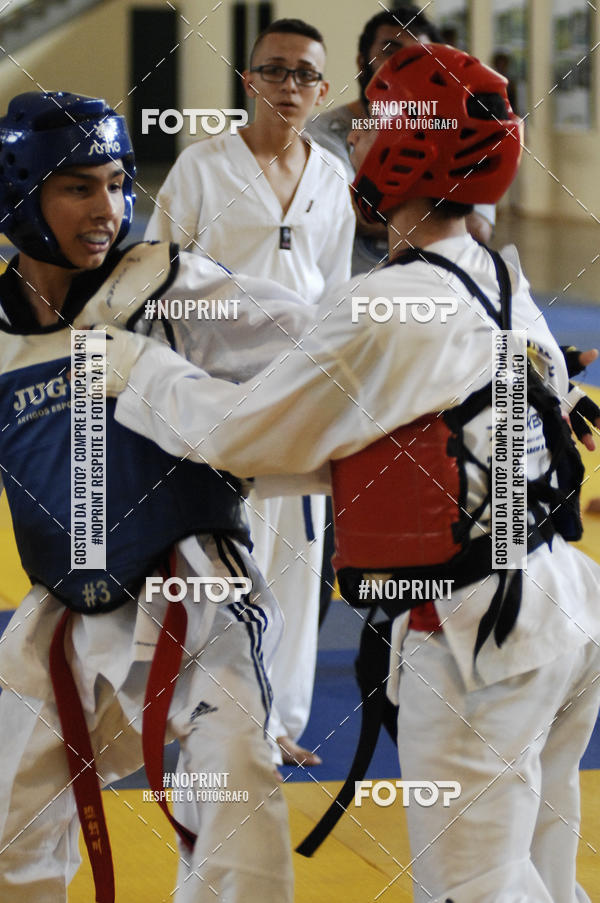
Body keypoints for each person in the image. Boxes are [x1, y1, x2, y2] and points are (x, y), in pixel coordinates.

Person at [107, 45, 600, 903]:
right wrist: (197, 288)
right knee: (542, 873)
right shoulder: (499, 279)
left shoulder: (389, 308)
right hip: (559, 618)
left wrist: (131, 372)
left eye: (373, 123)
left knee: (475, 889)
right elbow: (327, 343)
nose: (358, 139)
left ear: (412, 150)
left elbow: (239, 433)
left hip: (478, 639)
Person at [0, 90, 317, 902]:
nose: (107, 208)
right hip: (65, 612)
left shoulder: (170, 287)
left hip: (198, 595)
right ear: (20, 194)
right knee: (7, 831)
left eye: (116, 183)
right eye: (78, 187)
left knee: (239, 819)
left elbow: (329, 349)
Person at [146, 17, 355, 767]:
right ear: (249, 80)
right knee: (221, 565)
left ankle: (277, 721)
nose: (290, 85)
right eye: (276, 70)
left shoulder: (333, 180)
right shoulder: (201, 170)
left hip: (303, 398)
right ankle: (212, 714)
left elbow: (338, 296)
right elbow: (157, 284)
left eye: (305, 74)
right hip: (219, 401)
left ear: (322, 89)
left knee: (298, 569)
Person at [305, 7, 498, 266]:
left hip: (434, 290)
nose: (405, 66)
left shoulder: (453, 130)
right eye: (391, 52)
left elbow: (479, 228)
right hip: (351, 292)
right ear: (362, 63)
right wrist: (433, 212)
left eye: (420, 57)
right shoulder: (321, 133)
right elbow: (343, 212)